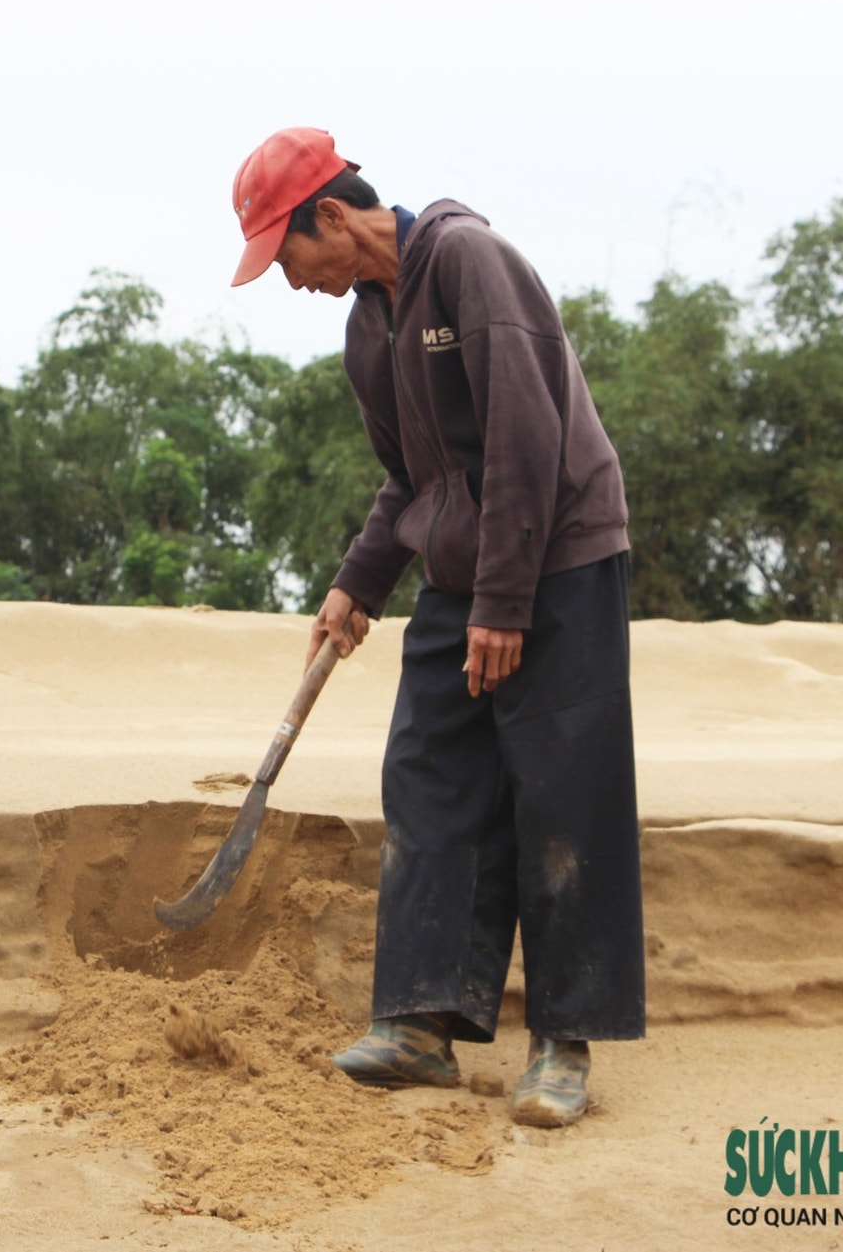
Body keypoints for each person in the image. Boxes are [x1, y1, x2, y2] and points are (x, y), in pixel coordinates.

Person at [229, 127, 646, 1128]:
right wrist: (358, 583)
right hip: (468, 564)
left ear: (331, 216)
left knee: (560, 787)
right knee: (430, 773)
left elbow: (526, 437)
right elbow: (412, 479)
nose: (292, 283)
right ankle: (420, 1025)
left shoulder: (469, 261)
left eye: (288, 259)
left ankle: (562, 1044)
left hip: (562, 556)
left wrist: (505, 602)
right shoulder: (367, 329)